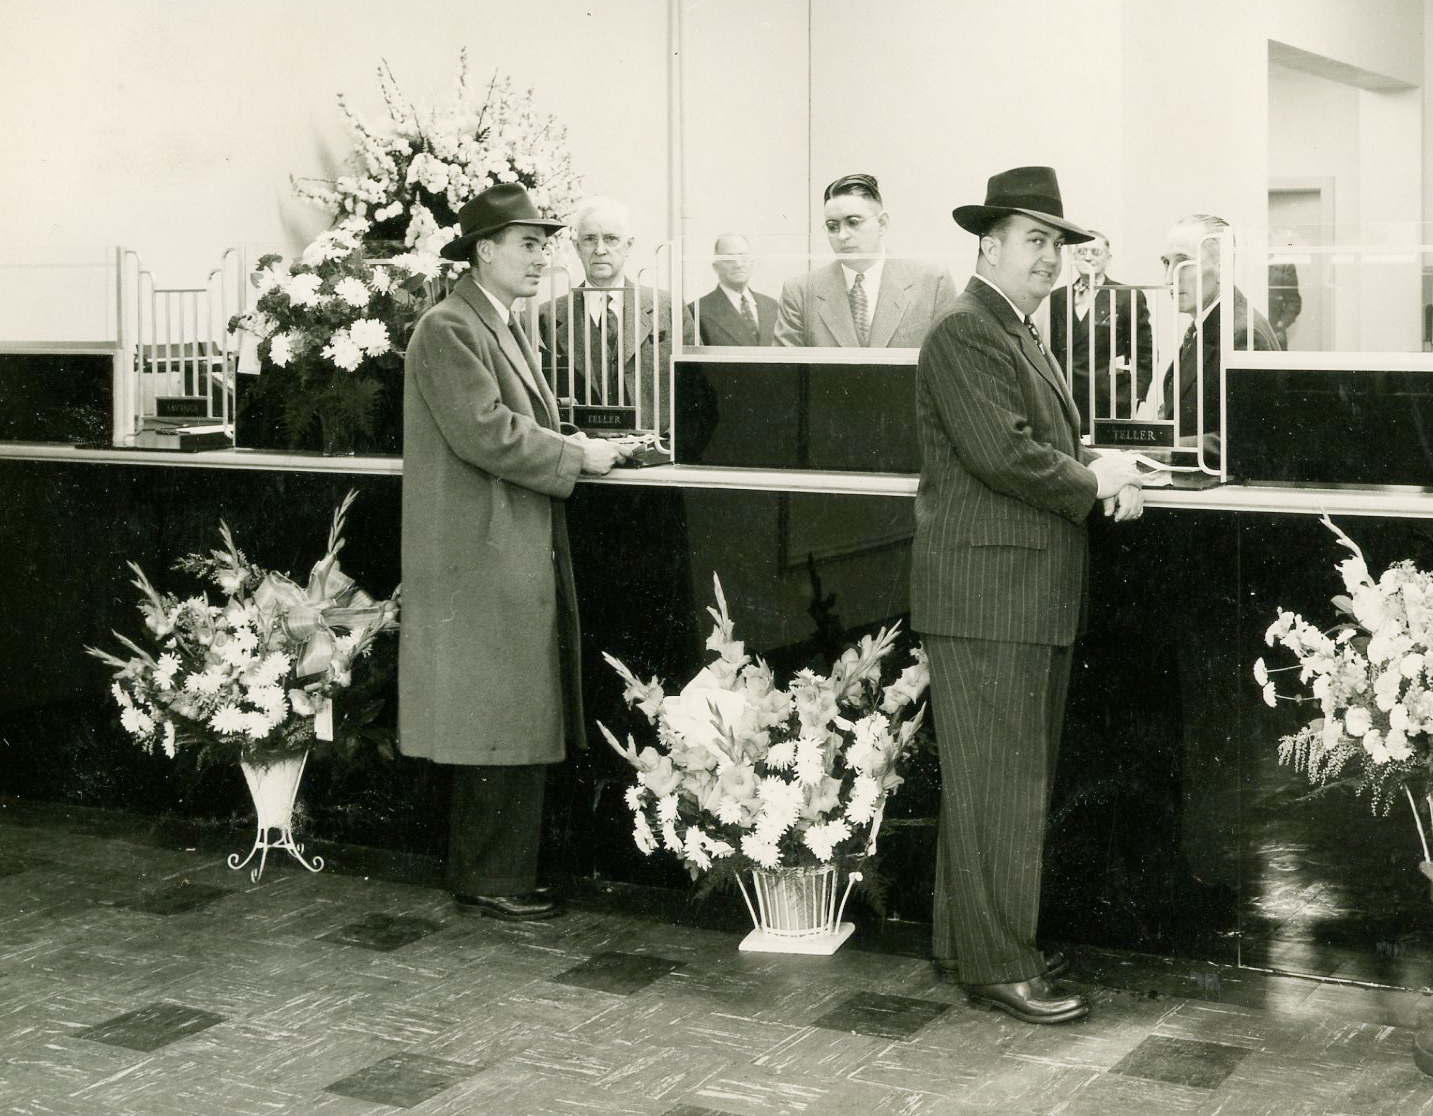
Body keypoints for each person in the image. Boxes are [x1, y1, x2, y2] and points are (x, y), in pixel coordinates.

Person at [911, 166, 1144, 1024]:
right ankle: (1001, 966)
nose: (1050, 258)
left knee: (988, 783)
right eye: (1034, 241)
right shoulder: (967, 332)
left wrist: (1094, 474)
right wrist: (1094, 479)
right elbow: (1004, 454)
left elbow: (1023, 451)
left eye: (1058, 243)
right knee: (1001, 785)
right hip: (990, 597)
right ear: (988, 244)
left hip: (1006, 594)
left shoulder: (1010, 330)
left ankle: (967, 946)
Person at [400, 183, 624, 922]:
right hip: (480, 550)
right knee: (494, 714)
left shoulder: (492, 320)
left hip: (504, 541)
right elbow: (485, 430)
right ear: (483, 249)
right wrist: (577, 455)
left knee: (511, 710)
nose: (541, 257)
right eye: (528, 243)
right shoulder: (447, 327)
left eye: (542, 244)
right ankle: (490, 879)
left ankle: (501, 872)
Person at [537, 196, 696, 432]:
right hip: (584, 456)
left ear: (629, 245)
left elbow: (695, 390)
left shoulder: (668, 307)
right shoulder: (548, 317)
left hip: (656, 454)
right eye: (590, 239)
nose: (600, 250)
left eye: (611, 239)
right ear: (577, 247)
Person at [774, 173, 957, 348]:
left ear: (882, 223)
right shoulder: (800, 292)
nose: (842, 235)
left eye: (853, 222)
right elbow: (784, 375)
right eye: (832, 226)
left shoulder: (932, 282)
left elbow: (951, 365)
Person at [1157, 213, 1280, 463]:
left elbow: (1249, 438)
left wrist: (1160, 449)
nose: (1169, 278)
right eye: (1166, 264)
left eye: (1183, 263)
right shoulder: (1207, 325)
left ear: (1222, 266)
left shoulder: (1243, 334)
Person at [1048, 230, 1154, 434]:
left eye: (1095, 252)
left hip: (1111, 402)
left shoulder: (1127, 297)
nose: (1088, 257)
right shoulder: (1057, 298)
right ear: (1072, 256)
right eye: (1082, 251)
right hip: (1068, 399)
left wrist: (1135, 397)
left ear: (1108, 258)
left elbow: (1144, 354)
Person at [689, 234, 777, 346]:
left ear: (752, 262)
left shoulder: (772, 306)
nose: (738, 264)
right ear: (715, 266)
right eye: (729, 259)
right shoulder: (697, 311)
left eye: (743, 257)